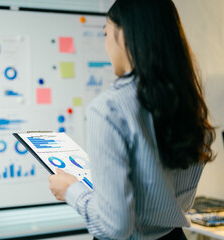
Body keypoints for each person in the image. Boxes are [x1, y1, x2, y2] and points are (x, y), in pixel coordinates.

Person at [48, 0, 215, 239]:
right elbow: (180, 203)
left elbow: (115, 226)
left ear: (125, 34)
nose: (105, 46)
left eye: (105, 32)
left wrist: (71, 190)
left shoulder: (108, 108)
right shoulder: (190, 104)